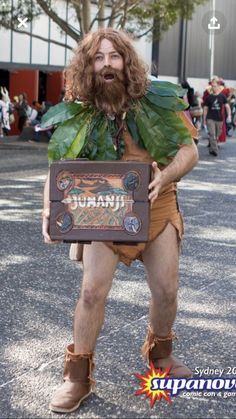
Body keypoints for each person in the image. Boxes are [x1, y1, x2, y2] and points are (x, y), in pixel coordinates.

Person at [42, 28, 198, 413]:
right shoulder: (80, 106)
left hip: (156, 203)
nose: (107, 64)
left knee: (166, 289)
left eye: (114, 56)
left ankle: (160, 355)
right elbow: (59, 166)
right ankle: (77, 375)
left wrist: (166, 176)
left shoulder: (157, 100)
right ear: (89, 65)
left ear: (127, 60)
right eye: (98, 57)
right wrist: (49, 208)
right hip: (103, 210)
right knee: (92, 291)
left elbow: (189, 150)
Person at [203, 77, 231, 156]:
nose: (213, 88)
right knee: (212, 134)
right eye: (212, 86)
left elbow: (227, 106)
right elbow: (205, 108)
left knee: (218, 134)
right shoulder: (209, 97)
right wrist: (204, 120)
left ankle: (212, 149)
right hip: (210, 118)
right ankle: (215, 150)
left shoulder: (222, 96)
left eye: (215, 86)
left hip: (219, 119)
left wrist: (229, 116)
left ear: (218, 87)